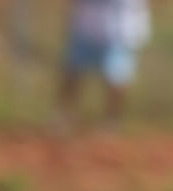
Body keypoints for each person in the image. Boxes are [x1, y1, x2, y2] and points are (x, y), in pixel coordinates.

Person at [56, 0, 152, 131]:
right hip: (86, 25)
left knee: (117, 78)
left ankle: (111, 122)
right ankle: (63, 116)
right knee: (72, 71)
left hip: (120, 30)